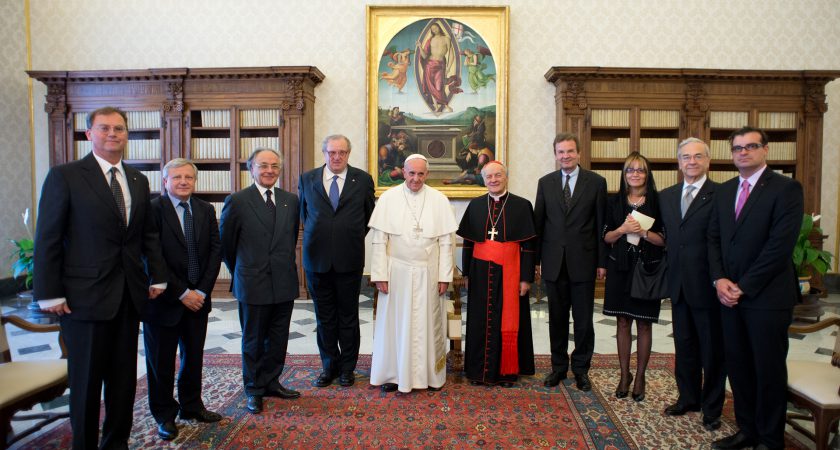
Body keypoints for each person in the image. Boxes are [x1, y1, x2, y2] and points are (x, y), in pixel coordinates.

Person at [33, 106, 168, 449]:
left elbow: (146, 235)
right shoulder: (65, 176)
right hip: (83, 297)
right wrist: (49, 292)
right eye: (104, 128)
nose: (112, 134)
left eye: (119, 128)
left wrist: (158, 276)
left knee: (123, 379)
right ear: (88, 133)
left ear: (127, 134)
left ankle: (116, 442)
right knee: (87, 381)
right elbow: (48, 236)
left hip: (128, 295)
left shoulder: (137, 179)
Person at [708, 127, 803, 450]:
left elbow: (779, 247)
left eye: (750, 147)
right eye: (737, 148)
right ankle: (746, 429)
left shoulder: (786, 189)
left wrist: (743, 287)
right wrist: (720, 279)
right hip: (728, 296)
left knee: (768, 368)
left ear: (765, 150)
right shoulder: (724, 191)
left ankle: (770, 438)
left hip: (767, 297)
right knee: (739, 365)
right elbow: (715, 239)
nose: (743, 152)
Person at [143, 158, 223, 440]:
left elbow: (215, 251)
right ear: (165, 181)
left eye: (189, 177)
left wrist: (201, 291)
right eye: (177, 177)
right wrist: (182, 293)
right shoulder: (152, 210)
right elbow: (152, 257)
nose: (184, 182)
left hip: (198, 300)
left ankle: (191, 405)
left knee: (194, 358)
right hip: (164, 300)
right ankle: (164, 414)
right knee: (160, 362)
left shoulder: (204, 209)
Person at [220, 148, 301, 415]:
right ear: (251, 168)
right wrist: (244, 270)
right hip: (252, 282)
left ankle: (271, 381)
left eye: (275, 166)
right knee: (253, 339)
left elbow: (289, 240)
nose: (269, 171)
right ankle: (254, 388)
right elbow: (227, 245)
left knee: (278, 337)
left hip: (284, 280)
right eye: (263, 165)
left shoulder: (290, 200)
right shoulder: (238, 200)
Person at [368, 154, 458, 393]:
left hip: (428, 274)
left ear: (427, 174)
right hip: (396, 272)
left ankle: (429, 375)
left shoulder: (439, 199)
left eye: (420, 174)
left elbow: (446, 243)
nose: (415, 179)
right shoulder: (388, 198)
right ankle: (393, 374)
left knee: (429, 324)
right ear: (404, 172)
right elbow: (379, 241)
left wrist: (444, 277)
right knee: (394, 325)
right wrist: (379, 274)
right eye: (411, 173)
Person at [658, 138, 725, 431]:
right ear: (679, 162)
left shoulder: (721, 194)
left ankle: (712, 408)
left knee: (712, 350)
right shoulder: (667, 195)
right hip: (679, 285)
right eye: (686, 157)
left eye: (698, 156)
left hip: (709, 287)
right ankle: (688, 398)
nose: (692, 162)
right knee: (684, 346)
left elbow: (723, 243)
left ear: (708, 161)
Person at [299, 135, 375, 388]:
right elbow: (304, 215)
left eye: (342, 152)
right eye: (332, 152)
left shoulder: (362, 180)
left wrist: (346, 236)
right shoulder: (307, 179)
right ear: (324, 153)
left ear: (348, 154)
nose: (337, 157)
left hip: (349, 259)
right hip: (316, 259)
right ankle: (328, 366)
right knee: (324, 317)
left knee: (348, 316)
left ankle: (347, 369)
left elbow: (367, 218)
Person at [535, 133, 608, 392]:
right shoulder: (545, 183)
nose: (565, 156)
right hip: (554, 262)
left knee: (584, 321)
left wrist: (602, 261)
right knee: (556, 318)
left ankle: (581, 369)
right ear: (555, 154)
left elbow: (601, 225)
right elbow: (539, 224)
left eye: (569, 151)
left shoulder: (596, 182)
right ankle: (557, 367)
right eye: (560, 152)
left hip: (584, 262)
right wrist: (536, 262)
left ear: (578, 153)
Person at [457, 161, 536, 387]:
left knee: (507, 319)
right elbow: (468, 244)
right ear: (483, 179)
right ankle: (477, 371)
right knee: (479, 320)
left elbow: (529, 246)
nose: (493, 180)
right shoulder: (475, 205)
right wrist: (467, 275)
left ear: (506, 177)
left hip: (511, 272)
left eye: (498, 175)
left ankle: (506, 373)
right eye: (489, 176)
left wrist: (526, 278)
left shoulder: (522, 206)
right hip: (480, 273)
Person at [602, 152, 665, 402]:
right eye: (630, 170)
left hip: (647, 270)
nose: (635, 174)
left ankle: (640, 376)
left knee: (644, 323)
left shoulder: (658, 202)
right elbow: (606, 237)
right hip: (620, 269)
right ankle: (624, 374)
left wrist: (645, 233)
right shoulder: (614, 202)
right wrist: (623, 229)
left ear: (647, 174)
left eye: (640, 170)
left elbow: (664, 240)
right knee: (623, 322)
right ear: (624, 174)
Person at [416, 22, 460, 113]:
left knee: (439, 87)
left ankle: (446, 106)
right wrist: (420, 47)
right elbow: (424, 56)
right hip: (429, 65)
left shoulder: (446, 39)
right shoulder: (430, 40)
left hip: (440, 65)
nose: (434, 30)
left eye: (435, 27)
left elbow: (451, 55)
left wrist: (448, 68)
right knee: (431, 86)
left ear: (439, 28)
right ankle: (436, 107)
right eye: (432, 29)